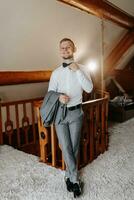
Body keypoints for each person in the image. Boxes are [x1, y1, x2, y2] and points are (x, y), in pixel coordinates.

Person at [48, 38, 93, 198]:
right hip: (60, 113)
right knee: (65, 146)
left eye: (68, 47)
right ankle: (74, 179)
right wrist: (59, 96)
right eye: (62, 47)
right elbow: (50, 93)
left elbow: (88, 88)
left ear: (74, 49)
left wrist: (77, 71)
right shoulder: (55, 73)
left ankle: (69, 176)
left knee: (73, 147)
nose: (65, 49)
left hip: (76, 112)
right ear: (59, 51)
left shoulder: (83, 68)